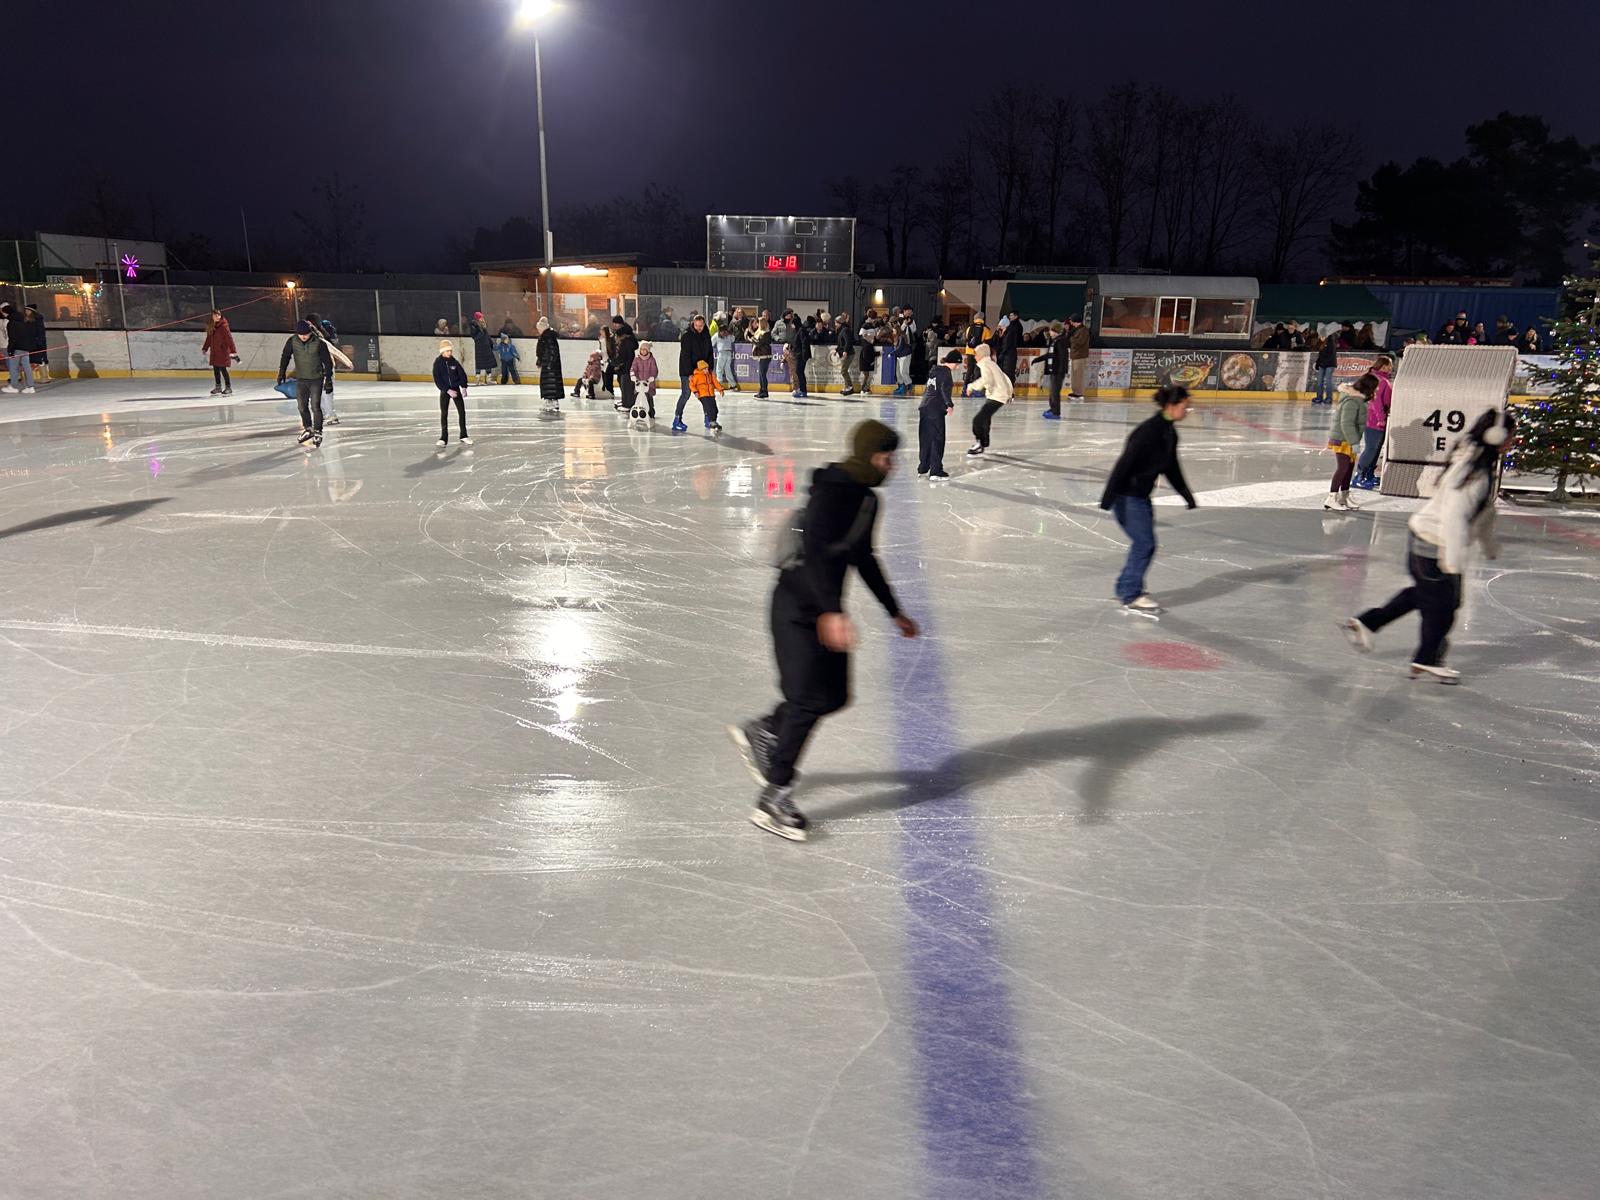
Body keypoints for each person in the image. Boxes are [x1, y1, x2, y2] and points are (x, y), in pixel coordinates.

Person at [728, 419, 919, 841]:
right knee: (810, 697)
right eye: (887, 458)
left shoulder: (868, 500)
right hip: (797, 607)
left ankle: (767, 729)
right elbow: (814, 553)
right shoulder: (832, 492)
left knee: (833, 696)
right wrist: (831, 612)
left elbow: (863, 557)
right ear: (869, 456)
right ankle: (774, 797)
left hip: (825, 612)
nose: (893, 466)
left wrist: (894, 611)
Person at [1343, 408, 1517, 684]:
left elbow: (1482, 514)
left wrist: (1489, 545)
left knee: (1426, 595)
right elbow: (1455, 518)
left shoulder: (1475, 462)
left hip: (1428, 537)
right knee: (1443, 605)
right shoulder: (1473, 472)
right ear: (1497, 436)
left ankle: (1369, 622)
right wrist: (1452, 561)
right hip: (1434, 543)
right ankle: (1427, 660)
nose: (1512, 442)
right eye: (1511, 436)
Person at [1099, 385, 1197, 613]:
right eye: (1185, 406)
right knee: (1144, 544)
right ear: (1172, 406)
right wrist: (1108, 498)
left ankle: (1126, 587)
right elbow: (1125, 464)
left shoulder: (1169, 432)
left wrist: (1186, 495)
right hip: (1127, 497)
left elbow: (1171, 467)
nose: (1187, 411)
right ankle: (1130, 593)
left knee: (1145, 545)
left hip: (1140, 498)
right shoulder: (1149, 432)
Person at [276, 319, 333, 448]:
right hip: (301, 379)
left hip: (316, 379)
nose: (303, 337)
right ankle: (308, 428)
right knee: (302, 406)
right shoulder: (292, 341)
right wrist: (281, 373)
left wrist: (328, 380)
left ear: (310, 333)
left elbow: (328, 363)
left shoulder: (319, 343)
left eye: (306, 334)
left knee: (315, 406)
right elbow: (285, 356)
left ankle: (318, 431)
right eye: (300, 334)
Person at [1325, 374, 1375, 511]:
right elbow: (1346, 424)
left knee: (1348, 467)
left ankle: (1344, 496)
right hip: (1342, 439)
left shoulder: (1359, 399)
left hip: (1349, 439)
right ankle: (1331, 497)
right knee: (1342, 468)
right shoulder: (1352, 401)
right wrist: (1354, 442)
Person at [965, 343, 1013, 457]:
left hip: (997, 396)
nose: (974, 356)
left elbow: (987, 380)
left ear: (981, 355)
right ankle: (984, 442)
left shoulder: (985, 364)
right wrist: (1010, 393)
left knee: (977, 420)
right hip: (997, 395)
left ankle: (979, 443)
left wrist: (971, 386)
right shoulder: (991, 363)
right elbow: (1005, 377)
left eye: (976, 354)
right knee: (985, 418)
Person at [1354, 355, 1394, 489]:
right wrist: (1381, 418)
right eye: (1390, 365)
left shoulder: (1381, 379)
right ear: (1383, 366)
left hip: (1378, 419)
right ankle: (1359, 475)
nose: (1391, 367)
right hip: (1374, 420)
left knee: (1376, 449)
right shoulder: (1378, 380)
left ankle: (1369, 474)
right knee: (1371, 448)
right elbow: (1376, 402)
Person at [919, 349, 959, 477]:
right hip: (935, 410)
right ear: (954, 362)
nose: (958, 367)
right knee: (937, 439)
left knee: (925, 438)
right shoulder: (946, 373)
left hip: (925, 408)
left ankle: (923, 467)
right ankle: (935, 470)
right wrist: (949, 404)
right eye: (957, 364)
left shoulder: (934, 371)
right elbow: (944, 390)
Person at [673, 313, 714, 426]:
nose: (699, 328)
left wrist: (709, 368)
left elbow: (710, 353)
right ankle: (677, 419)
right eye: (696, 325)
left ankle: (708, 418)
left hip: (702, 371)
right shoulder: (687, 335)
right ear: (693, 324)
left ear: (704, 324)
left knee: (704, 395)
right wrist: (689, 373)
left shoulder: (706, 335)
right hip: (688, 371)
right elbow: (685, 356)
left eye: (701, 325)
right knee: (686, 394)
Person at [431, 340, 472, 447]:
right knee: (444, 413)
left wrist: (463, 387)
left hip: (455, 389)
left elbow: (462, 374)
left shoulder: (454, 362)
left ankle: (464, 435)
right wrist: (447, 390)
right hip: (445, 391)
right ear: (442, 351)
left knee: (462, 412)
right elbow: (437, 379)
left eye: (450, 350)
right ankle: (443, 438)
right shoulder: (438, 363)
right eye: (447, 351)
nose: (449, 352)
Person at [2, 302, 36, 394]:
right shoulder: (23, 320)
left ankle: (14, 386)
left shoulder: (11, 323)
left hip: (17, 348)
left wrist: (10, 350)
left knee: (13, 367)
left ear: (6, 313)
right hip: (25, 347)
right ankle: (30, 386)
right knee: (27, 367)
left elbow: (12, 338)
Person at [202, 309, 237, 395]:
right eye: (215, 315)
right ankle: (218, 387)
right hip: (214, 351)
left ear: (220, 316)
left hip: (222, 351)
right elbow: (209, 338)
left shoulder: (224, 326)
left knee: (223, 369)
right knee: (216, 369)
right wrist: (205, 348)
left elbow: (229, 338)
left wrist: (233, 350)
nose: (217, 317)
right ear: (212, 316)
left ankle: (228, 387)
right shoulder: (212, 325)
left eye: (218, 315)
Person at [686, 358, 724, 433]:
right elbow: (691, 385)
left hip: (711, 394)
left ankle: (714, 421)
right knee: (709, 409)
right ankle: (711, 422)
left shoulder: (710, 374)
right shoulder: (697, 376)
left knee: (715, 409)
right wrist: (696, 392)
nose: (707, 370)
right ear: (701, 369)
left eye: (707, 368)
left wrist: (720, 389)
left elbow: (715, 382)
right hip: (703, 395)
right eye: (705, 369)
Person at [1042, 320, 1069, 419]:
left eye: (1051, 330)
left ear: (1056, 331)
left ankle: (1056, 412)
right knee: (1052, 391)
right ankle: (1052, 408)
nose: (1049, 332)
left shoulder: (1060, 341)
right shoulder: (1054, 341)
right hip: (1053, 370)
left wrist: (1061, 370)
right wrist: (1038, 359)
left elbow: (1063, 357)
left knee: (1055, 392)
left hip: (1058, 371)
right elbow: (1050, 355)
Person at [535, 317, 562, 412]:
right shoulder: (545, 336)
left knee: (551, 383)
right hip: (547, 363)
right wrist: (540, 361)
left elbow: (553, 351)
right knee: (547, 384)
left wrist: (550, 363)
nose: (538, 331)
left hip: (550, 365)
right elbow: (542, 351)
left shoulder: (548, 337)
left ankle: (553, 401)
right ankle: (549, 400)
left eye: (539, 328)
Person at [629, 339, 659, 419]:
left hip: (648, 384)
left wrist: (652, 377)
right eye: (641, 349)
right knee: (637, 398)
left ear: (648, 350)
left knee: (648, 398)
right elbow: (633, 368)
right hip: (639, 384)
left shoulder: (652, 360)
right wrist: (633, 375)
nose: (642, 351)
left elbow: (654, 370)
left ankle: (651, 413)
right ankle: (637, 412)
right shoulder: (636, 359)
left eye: (644, 350)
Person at [612, 320, 637, 413]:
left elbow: (623, 357)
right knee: (624, 385)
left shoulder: (626, 343)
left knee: (627, 386)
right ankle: (625, 402)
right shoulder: (626, 342)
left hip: (626, 368)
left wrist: (615, 363)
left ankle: (628, 404)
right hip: (625, 368)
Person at [466, 311, 496, 385]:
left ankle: (489, 379)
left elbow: (486, 335)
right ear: (477, 318)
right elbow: (475, 337)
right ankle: (477, 380)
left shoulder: (483, 325)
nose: (482, 319)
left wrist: (490, 343)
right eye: (481, 317)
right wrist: (482, 330)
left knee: (488, 362)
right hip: (480, 347)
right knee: (479, 363)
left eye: (482, 317)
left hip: (486, 346)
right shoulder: (473, 326)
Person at [1066, 314, 1091, 401]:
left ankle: (1079, 393)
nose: (1071, 322)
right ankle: (1075, 391)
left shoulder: (1083, 330)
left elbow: (1080, 342)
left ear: (1076, 321)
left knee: (1079, 375)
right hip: (1075, 355)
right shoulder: (1076, 330)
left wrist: (1071, 338)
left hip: (1080, 356)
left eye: (1072, 320)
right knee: (1075, 375)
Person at [24, 305, 50, 384]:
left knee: (40, 360)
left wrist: (39, 343)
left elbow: (40, 332)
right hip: (31, 343)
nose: (26, 312)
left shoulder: (37, 319)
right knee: (34, 360)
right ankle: (32, 377)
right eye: (26, 310)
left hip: (38, 343)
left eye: (28, 310)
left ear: (32, 311)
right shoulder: (28, 320)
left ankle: (44, 377)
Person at [712, 317, 738, 393]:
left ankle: (719, 385)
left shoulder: (717, 335)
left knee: (719, 369)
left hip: (722, 353)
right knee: (727, 369)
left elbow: (711, 343)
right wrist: (729, 334)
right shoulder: (729, 335)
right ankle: (733, 385)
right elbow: (733, 339)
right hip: (728, 353)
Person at [788, 315, 811, 399]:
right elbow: (797, 343)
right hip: (799, 355)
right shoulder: (798, 331)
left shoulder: (801, 331)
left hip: (801, 355)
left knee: (799, 372)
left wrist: (804, 355)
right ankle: (803, 390)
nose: (792, 326)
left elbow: (804, 343)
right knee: (799, 372)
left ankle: (803, 390)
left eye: (792, 324)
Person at [835, 313, 859, 395]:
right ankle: (847, 387)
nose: (835, 324)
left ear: (839, 323)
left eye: (836, 323)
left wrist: (845, 351)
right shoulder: (841, 330)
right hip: (844, 353)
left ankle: (850, 387)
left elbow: (848, 341)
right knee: (844, 370)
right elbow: (841, 343)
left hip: (849, 353)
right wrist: (837, 350)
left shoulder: (845, 330)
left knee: (843, 371)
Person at [751, 318, 774, 398]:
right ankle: (762, 390)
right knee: (761, 374)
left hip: (765, 355)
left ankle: (764, 391)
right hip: (762, 355)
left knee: (762, 374)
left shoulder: (766, 333)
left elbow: (759, 343)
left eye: (759, 323)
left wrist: (752, 339)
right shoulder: (760, 332)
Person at [1311, 334, 1337, 405]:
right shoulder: (1321, 343)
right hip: (1322, 365)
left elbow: (1331, 355)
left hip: (1330, 364)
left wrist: (1323, 363)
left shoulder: (1331, 343)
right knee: (1319, 381)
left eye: (1323, 336)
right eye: (1320, 336)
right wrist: (1318, 363)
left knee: (1328, 381)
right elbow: (1320, 355)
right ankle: (1319, 397)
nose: (1321, 337)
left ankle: (1329, 398)